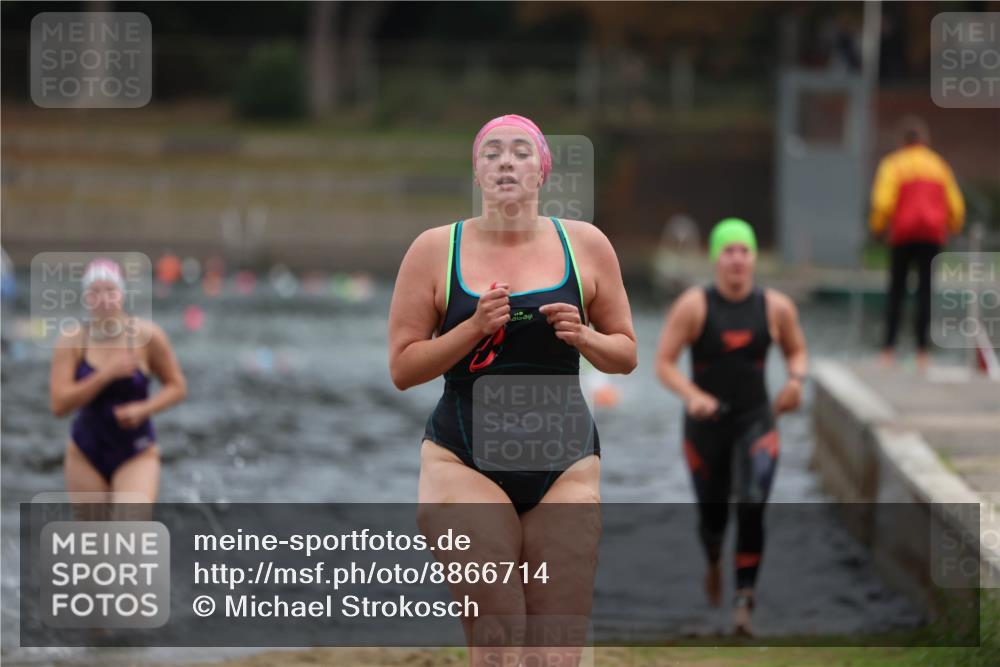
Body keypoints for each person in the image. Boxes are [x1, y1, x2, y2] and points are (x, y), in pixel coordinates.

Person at [388, 114, 636, 665]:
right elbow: (403, 368)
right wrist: (473, 328)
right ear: (476, 172)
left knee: (555, 655)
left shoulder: (587, 245)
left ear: (542, 170)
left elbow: (627, 353)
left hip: (565, 465)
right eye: (492, 152)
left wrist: (584, 336)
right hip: (463, 460)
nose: (505, 161)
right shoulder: (433, 250)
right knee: (498, 638)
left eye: (521, 151)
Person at [655, 218, 807, 636]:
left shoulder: (776, 307)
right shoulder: (694, 305)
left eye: (744, 250)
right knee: (713, 519)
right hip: (706, 427)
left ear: (754, 257)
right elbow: (663, 363)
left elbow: (796, 351)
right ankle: (712, 561)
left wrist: (795, 381)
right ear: (716, 258)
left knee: (753, 503)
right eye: (729, 251)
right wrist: (692, 395)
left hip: (757, 421)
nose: (737, 259)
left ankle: (744, 605)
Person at [50, 258, 187, 503]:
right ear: (86, 297)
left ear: (122, 293)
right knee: (95, 541)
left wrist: (145, 408)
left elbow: (177, 387)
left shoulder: (148, 336)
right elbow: (59, 405)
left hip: (136, 450)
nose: (103, 299)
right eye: (95, 292)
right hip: (85, 452)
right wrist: (105, 375)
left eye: (110, 291)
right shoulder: (72, 340)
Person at [870, 116, 965, 371]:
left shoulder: (893, 165)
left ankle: (888, 350)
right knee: (925, 292)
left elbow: (883, 201)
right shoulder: (938, 165)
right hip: (931, 236)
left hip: (903, 234)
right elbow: (955, 203)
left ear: (903, 141)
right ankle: (922, 352)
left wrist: (878, 227)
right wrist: (953, 226)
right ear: (924, 140)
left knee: (896, 291)